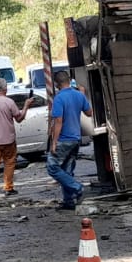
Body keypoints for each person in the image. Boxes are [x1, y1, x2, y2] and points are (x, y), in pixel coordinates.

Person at [45, 70, 92, 210]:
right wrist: (82, 96)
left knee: (52, 167)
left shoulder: (59, 98)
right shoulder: (79, 95)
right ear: (69, 80)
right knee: (67, 170)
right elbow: (89, 113)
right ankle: (69, 201)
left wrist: (54, 142)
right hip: (76, 138)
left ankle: (77, 188)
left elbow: (58, 121)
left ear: (56, 84)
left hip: (64, 139)